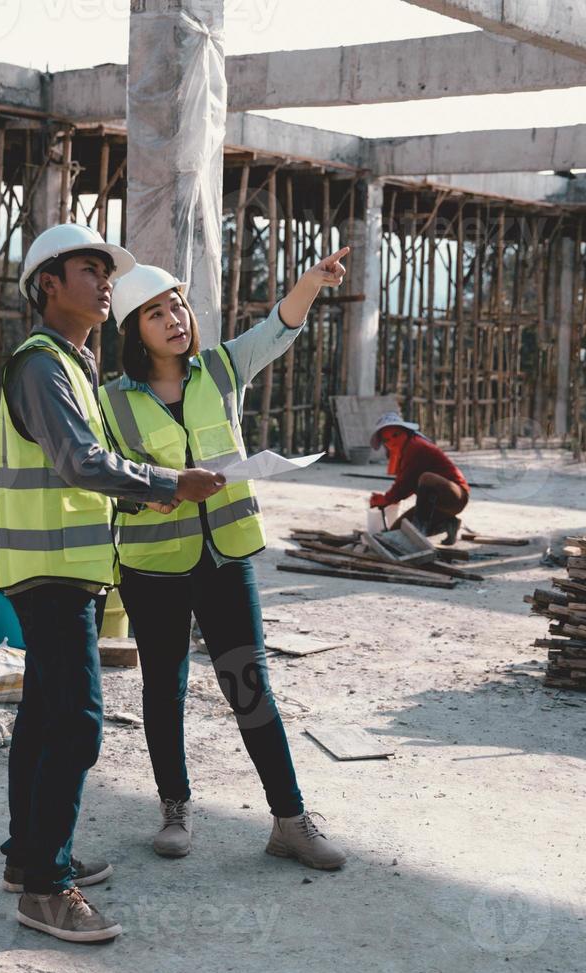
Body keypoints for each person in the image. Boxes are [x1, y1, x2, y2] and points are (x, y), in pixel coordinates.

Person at [0, 223, 226, 943]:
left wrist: (149, 492)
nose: (103, 282)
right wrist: (166, 482)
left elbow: (92, 476)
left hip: (70, 570)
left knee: (41, 716)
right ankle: (46, 889)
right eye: (87, 270)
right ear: (48, 285)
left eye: (106, 271)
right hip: (51, 573)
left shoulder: (73, 365)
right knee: (78, 722)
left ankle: (27, 857)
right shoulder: (42, 365)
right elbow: (79, 462)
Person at [95, 248, 353, 872]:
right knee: (164, 687)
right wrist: (149, 496)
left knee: (249, 684)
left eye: (178, 305)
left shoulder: (219, 369)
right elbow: (104, 478)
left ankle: (289, 820)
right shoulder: (111, 401)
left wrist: (311, 283)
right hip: (153, 565)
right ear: (134, 331)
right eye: (155, 313)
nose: (174, 318)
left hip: (225, 555)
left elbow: (276, 330)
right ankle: (175, 808)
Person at [368, 412, 470, 545]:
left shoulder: (416, 447)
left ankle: (420, 531)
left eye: (395, 435)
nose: (392, 442)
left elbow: (405, 483)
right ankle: (447, 524)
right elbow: (407, 484)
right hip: (437, 504)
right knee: (396, 532)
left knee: (427, 478)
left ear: (406, 432)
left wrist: (387, 499)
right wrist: (388, 499)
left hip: (455, 497)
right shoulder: (404, 451)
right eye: (387, 440)